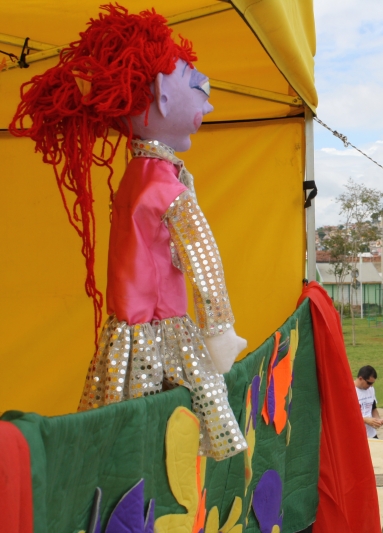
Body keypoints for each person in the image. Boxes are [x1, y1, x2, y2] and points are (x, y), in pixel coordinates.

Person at [10, 5, 248, 460]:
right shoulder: (163, 184)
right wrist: (219, 329)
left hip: (126, 336)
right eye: (199, 90)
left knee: (120, 438)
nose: (209, 104)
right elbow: (203, 257)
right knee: (164, 444)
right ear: (161, 96)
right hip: (162, 332)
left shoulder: (135, 175)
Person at [354, 365, 383, 438]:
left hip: (371, 434)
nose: (371, 386)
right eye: (369, 383)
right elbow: (346, 416)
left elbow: (373, 408)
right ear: (360, 378)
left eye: (372, 383)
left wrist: (377, 420)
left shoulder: (371, 389)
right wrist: (365, 420)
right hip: (356, 436)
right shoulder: (349, 391)